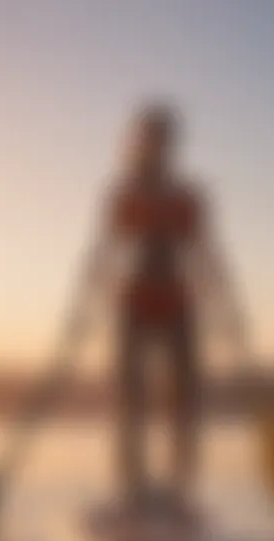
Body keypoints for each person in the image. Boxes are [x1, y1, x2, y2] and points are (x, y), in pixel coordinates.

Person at [71, 103, 246, 510]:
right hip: (132, 304)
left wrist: (228, 309)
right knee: (129, 397)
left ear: (171, 145)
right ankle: (132, 488)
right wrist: (84, 306)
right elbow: (105, 252)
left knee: (184, 397)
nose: (156, 146)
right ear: (138, 143)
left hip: (178, 304)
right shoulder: (123, 194)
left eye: (163, 139)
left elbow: (207, 253)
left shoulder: (188, 197)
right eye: (149, 138)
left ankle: (179, 488)